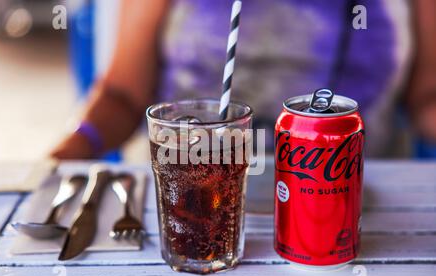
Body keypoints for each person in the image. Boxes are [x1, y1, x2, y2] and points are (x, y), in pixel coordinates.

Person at [51, 0, 436, 159]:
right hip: (187, 194)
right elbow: (122, 95)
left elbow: (426, 99)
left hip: (360, 203)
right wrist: (59, 160)